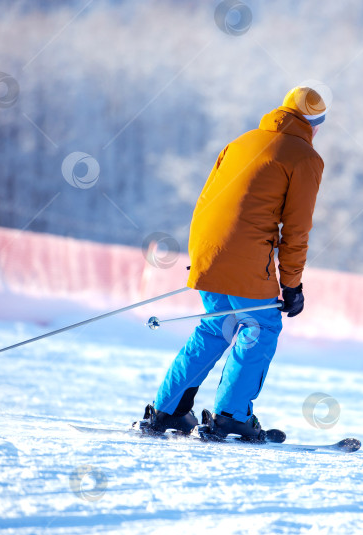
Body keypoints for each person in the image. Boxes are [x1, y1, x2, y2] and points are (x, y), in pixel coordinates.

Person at [139, 86, 326, 441]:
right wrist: (292, 285)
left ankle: (168, 410)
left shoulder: (240, 142)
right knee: (260, 328)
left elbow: (208, 199)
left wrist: (205, 260)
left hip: (207, 249)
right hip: (245, 255)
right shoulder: (305, 158)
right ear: (314, 124)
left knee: (216, 327)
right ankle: (231, 416)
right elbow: (297, 230)